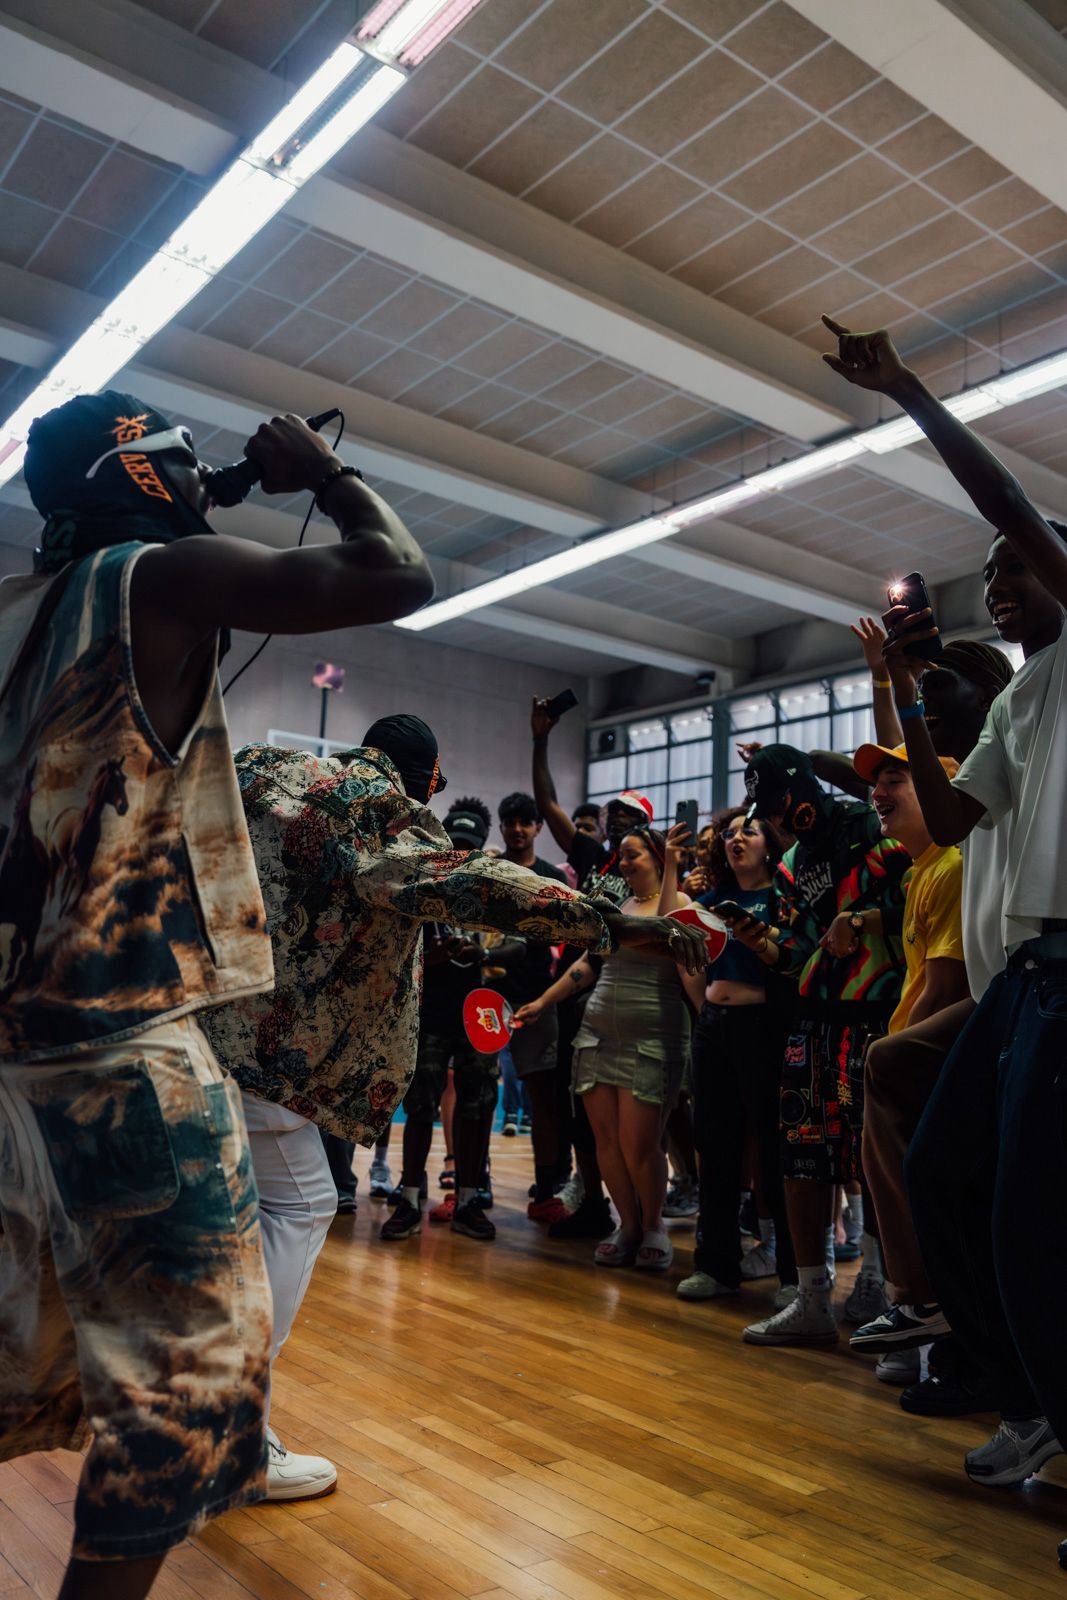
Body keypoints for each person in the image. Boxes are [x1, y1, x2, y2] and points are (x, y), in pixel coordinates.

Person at [0, 392, 434, 1599]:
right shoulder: (157, 577)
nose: (203, 481)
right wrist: (320, 475)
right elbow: (395, 572)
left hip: (11, 1055)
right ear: (139, 475)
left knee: (19, 1347)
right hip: (124, 1045)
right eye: (182, 463)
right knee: (186, 1386)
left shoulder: (21, 609)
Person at [822, 315, 1067, 1542]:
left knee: (1025, 1212)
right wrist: (912, 703)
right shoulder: (1019, 702)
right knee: (939, 1165)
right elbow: (957, 810)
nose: (996, 577)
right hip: (1026, 974)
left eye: (1013, 565)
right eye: (988, 572)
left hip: (1065, 965)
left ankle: (1048, 1408)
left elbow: (1009, 499)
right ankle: (1019, 1391)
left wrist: (907, 391)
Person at [733, 746, 909, 1348]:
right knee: (801, 1157)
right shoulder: (789, 864)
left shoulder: (871, 824)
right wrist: (761, 942)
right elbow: (797, 951)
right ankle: (811, 1299)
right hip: (813, 1020)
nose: (775, 816)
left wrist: (861, 921)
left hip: (880, 1014)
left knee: (876, 1162)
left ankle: (883, 1284)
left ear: (802, 787)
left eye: (778, 802)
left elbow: (920, 901)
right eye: (765, 808)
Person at [516, 828, 693, 1271]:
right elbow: (587, 965)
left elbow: (667, 935)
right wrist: (543, 1002)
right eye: (621, 855)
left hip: (652, 1038)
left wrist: (674, 866)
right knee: (606, 1142)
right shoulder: (619, 909)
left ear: (657, 858)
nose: (623, 862)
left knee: (641, 1143)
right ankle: (628, 1225)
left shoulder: (681, 904)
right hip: (597, 1035)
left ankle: (653, 1226)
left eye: (633, 855)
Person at [845, 744, 969, 1363]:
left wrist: (893, 1055)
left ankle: (920, 1300)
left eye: (896, 779)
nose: (878, 793)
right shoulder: (921, 870)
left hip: (933, 1067)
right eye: (877, 782)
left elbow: (948, 987)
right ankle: (921, 1315)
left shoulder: (952, 866)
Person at [530, 699, 657, 1238]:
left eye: (630, 815)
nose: (618, 820)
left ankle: (647, 1216)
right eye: (613, 812)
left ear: (646, 828)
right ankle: (593, 1201)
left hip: (633, 1001)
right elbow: (548, 804)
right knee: (582, 1110)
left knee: (636, 1118)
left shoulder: (650, 874)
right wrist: (541, 739)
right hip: (580, 991)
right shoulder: (593, 858)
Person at [663, 810, 798, 1307]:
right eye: (729, 832)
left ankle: (793, 1276)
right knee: (714, 1147)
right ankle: (716, 1266)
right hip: (714, 1029)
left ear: (770, 844)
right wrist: (671, 866)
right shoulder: (712, 901)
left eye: (748, 831)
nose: (735, 838)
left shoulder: (782, 899)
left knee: (772, 1151)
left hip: (765, 1029)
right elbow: (670, 933)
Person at [491, 792, 571, 1221]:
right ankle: (473, 1187)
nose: (518, 829)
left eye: (526, 822)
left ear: (539, 827)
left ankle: (546, 1186)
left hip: (538, 997)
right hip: (488, 997)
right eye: (511, 821)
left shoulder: (553, 877)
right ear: (501, 826)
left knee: (543, 1099)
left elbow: (566, 934)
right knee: (478, 1095)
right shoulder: (488, 870)